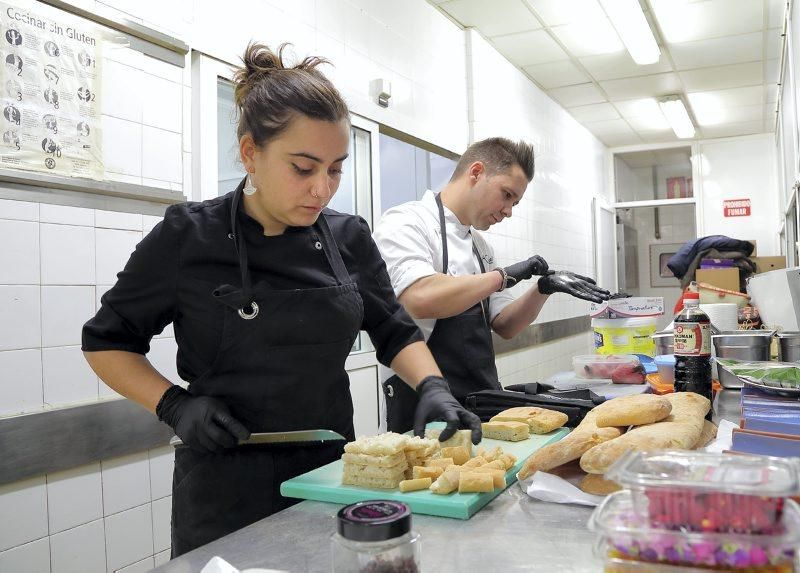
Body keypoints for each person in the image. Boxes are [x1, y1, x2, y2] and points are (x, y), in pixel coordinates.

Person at [81, 43, 480, 557]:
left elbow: (394, 330)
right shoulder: (189, 236)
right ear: (251, 153)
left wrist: (432, 386)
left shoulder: (348, 238)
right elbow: (106, 342)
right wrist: (174, 405)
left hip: (330, 473)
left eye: (335, 169)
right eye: (303, 167)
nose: (322, 189)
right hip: (224, 482)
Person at [373, 137, 611, 433]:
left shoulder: (479, 246)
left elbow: (505, 325)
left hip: (481, 398)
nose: (509, 210)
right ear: (476, 172)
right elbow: (419, 298)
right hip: (423, 400)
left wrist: (542, 289)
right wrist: (503, 277)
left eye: (515, 202)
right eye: (506, 195)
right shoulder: (407, 222)